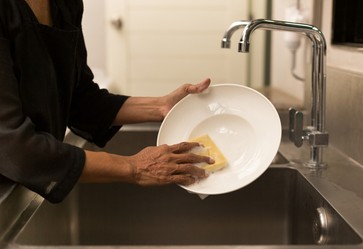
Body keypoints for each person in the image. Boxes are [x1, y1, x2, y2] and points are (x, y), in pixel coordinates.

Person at [0, 0, 213, 203]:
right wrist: (134, 167)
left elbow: (80, 99)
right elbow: (16, 150)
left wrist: (160, 106)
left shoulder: (64, 4)